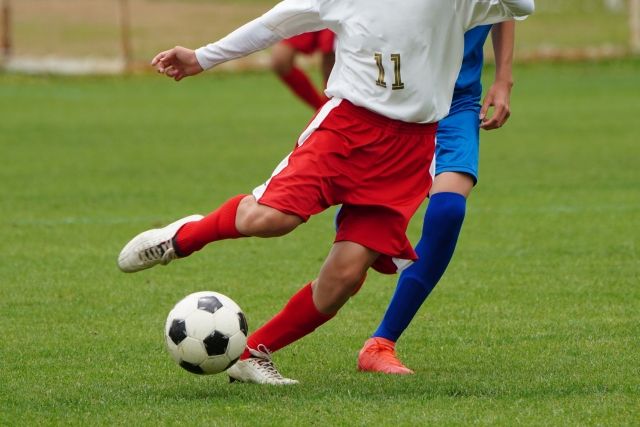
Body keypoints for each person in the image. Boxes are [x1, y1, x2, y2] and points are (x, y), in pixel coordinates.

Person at [117, 0, 534, 385]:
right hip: (347, 129)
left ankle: (252, 352)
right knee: (270, 219)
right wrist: (201, 57)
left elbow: (520, 5)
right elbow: (276, 23)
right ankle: (181, 238)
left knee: (343, 278)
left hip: (409, 150)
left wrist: (503, 74)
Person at [357, 22, 518, 375]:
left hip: (458, 103)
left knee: (448, 210)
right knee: (358, 246)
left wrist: (504, 77)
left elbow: (505, 7)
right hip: (392, 101)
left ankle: (381, 343)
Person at [271, 30, 335, 110]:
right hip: (312, 17)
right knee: (280, 60)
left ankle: (329, 112)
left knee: (331, 61)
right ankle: (321, 110)